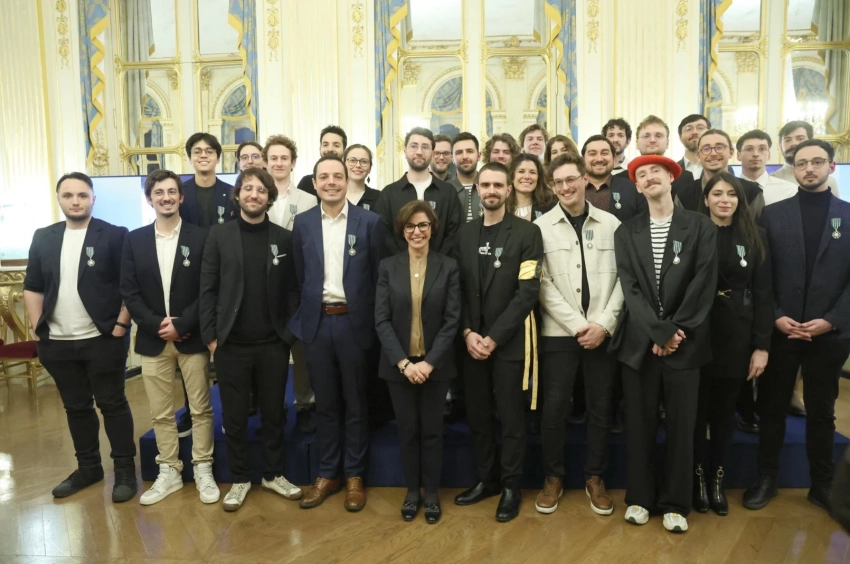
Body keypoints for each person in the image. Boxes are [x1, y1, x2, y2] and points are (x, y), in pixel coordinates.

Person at [609, 154, 718, 533]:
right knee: (639, 425)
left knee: (682, 427)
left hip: (685, 344)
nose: (649, 177)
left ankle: (675, 503)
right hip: (640, 344)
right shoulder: (627, 231)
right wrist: (658, 332)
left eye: (656, 171)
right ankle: (640, 498)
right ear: (637, 187)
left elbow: (702, 283)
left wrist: (674, 331)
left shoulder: (701, 226)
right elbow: (630, 288)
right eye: (641, 174)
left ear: (672, 177)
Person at [744, 139, 850, 513]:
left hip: (830, 334)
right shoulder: (773, 215)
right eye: (802, 163)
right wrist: (775, 314)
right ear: (793, 168)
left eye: (817, 162)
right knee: (772, 408)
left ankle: (821, 485)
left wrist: (832, 320)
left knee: (821, 412)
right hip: (781, 330)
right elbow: (761, 275)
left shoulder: (848, 215)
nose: (809, 169)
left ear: (831, 167)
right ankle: (766, 478)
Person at [23, 172, 137, 503]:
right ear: (59, 199)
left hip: (103, 338)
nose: (75, 201)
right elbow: (32, 287)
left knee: (113, 404)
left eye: (82, 195)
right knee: (76, 407)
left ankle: (125, 471)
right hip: (57, 342)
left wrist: (121, 324)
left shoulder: (114, 235)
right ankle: (88, 468)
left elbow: (130, 285)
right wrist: (37, 328)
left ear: (93, 199)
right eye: (69, 195)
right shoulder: (43, 237)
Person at [199, 167, 302, 512]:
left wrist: (287, 334)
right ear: (238, 194)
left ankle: (273, 474)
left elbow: (293, 290)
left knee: (274, 414)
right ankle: (240, 478)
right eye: (247, 188)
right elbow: (207, 288)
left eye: (260, 190)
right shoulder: (219, 235)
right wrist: (211, 338)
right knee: (234, 417)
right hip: (230, 345)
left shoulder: (283, 238)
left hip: (273, 344)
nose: (253, 194)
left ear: (269, 197)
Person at [289, 156, 386, 511]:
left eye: (337, 176)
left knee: (357, 403)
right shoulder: (302, 224)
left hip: (354, 325)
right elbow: (298, 277)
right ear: (314, 183)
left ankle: (355, 475)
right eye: (324, 177)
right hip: (316, 324)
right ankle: (328, 473)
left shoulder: (371, 222)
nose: (331, 182)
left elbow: (379, 279)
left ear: (347, 181)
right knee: (325, 403)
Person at [120, 169, 219, 506]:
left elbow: (208, 289)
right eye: (159, 192)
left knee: (201, 409)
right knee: (160, 413)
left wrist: (183, 323)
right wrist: (156, 324)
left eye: (171, 192)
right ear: (150, 199)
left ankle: (203, 467)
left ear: (181, 197)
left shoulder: (201, 237)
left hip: (191, 337)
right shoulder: (134, 240)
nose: (166, 197)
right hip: (153, 340)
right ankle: (169, 470)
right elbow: (129, 292)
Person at [452, 162, 544, 523]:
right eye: (485, 184)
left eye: (497, 185)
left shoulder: (527, 233)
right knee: (478, 417)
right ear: (477, 190)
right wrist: (467, 332)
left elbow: (527, 293)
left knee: (511, 419)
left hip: (508, 343)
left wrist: (493, 337)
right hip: (470, 342)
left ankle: (510, 487)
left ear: (508, 190)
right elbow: (456, 290)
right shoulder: (463, 233)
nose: (491, 190)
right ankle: (487, 480)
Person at [534, 152, 624, 516]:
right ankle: (553, 476)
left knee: (600, 408)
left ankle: (595, 477)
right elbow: (541, 283)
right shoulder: (540, 227)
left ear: (585, 179)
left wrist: (603, 324)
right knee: (554, 408)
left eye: (571, 179)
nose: (565, 187)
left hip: (602, 331)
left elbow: (624, 279)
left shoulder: (611, 224)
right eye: (558, 182)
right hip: (559, 333)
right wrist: (576, 324)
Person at [374, 200, 461, 524]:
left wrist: (429, 363)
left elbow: (452, 320)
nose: (417, 231)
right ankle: (412, 492)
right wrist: (403, 363)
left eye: (423, 225)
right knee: (408, 431)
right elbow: (381, 319)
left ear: (432, 228)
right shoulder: (388, 266)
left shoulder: (448, 266)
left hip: (435, 366)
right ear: (402, 230)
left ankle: (433, 493)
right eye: (410, 226)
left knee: (433, 432)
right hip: (399, 367)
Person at [692, 172, 772, 516]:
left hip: (737, 336)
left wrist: (762, 346)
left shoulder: (756, 236)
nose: (724, 200)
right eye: (717, 194)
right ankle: (697, 478)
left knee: (724, 414)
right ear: (706, 199)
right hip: (697, 333)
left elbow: (765, 294)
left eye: (731, 194)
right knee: (696, 414)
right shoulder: (692, 232)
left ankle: (717, 480)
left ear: (740, 200)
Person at [262, 135, 319, 434]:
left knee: (302, 352)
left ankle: (304, 404)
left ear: (293, 163)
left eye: (284, 158)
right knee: (270, 356)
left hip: (297, 285)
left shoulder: (308, 200)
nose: (279, 163)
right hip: (264, 288)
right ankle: (274, 409)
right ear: (266, 162)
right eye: (273, 158)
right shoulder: (258, 196)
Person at [375, 127, 462, 256]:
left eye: (425, 147)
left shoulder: (448, 192)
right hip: (398, 266)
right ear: (405, 151)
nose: (419, 152)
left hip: (441, 266)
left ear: (432, 153)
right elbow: (383, 236)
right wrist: (403, 262)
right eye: (414, 146)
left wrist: (436, 262)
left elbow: (454, 235)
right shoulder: (388, 194)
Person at [676, 129, 764, 219]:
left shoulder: (752, 193)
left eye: (719, 147)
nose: (713, 153)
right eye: (706, 149)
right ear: (698, 156)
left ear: (731, 152)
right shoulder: (684, 196)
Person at [581, 135, 647, 222]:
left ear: (614, 158)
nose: (599, 159)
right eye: (592, 154)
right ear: (583, 159)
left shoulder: (632, 189)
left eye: (604, 153)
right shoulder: (573, 189)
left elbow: (642, 223)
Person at [180, 133, 236, 228]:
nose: (203, 155)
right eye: (197, 152)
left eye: (209, 151)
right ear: (190, 158)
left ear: (218, 158)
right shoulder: (180, 192)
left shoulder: (232, 192)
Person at [772, 120, 841, 198]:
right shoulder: (771, 181)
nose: (793, 144)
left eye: (800, 138)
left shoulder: (828, 181)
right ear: (780, 146)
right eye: (787, 140)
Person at [735, 130, 797, 206]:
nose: (756, 154)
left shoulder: (789, 190)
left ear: (769, 155)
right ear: (738, 155)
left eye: (762, 149)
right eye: (749, 149)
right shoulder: (730, 189)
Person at [296, 124, 348, 197]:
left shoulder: (352, 182)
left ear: (344, 150)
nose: (330, 149)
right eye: (325, 145)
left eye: (336, 145)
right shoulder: (306, 183)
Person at [507, 153, 556, 221]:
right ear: (512, 177)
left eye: (532, 172)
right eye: (521, 171)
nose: (527, 176)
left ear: (538, 178)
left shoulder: (551, 207)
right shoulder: (501, 208)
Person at [449, 132, 482, 223]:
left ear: (479, 156)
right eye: (459, 152)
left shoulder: (490, 186)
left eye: (470, 151)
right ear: (452, 158)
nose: (465, 156)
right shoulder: (446, 189)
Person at [344, 144, 382, 210]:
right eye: (352, 160)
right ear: (343, 165)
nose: (358, 165)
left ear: (370, 168)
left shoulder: (379, 198)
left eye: (364, 161)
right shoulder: (333, 194)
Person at [677, 114, 711, 179]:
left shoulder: (722, 169)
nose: (695, 132)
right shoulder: (672, 170)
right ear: (680, 138)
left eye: (700, 128)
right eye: (688, 129)